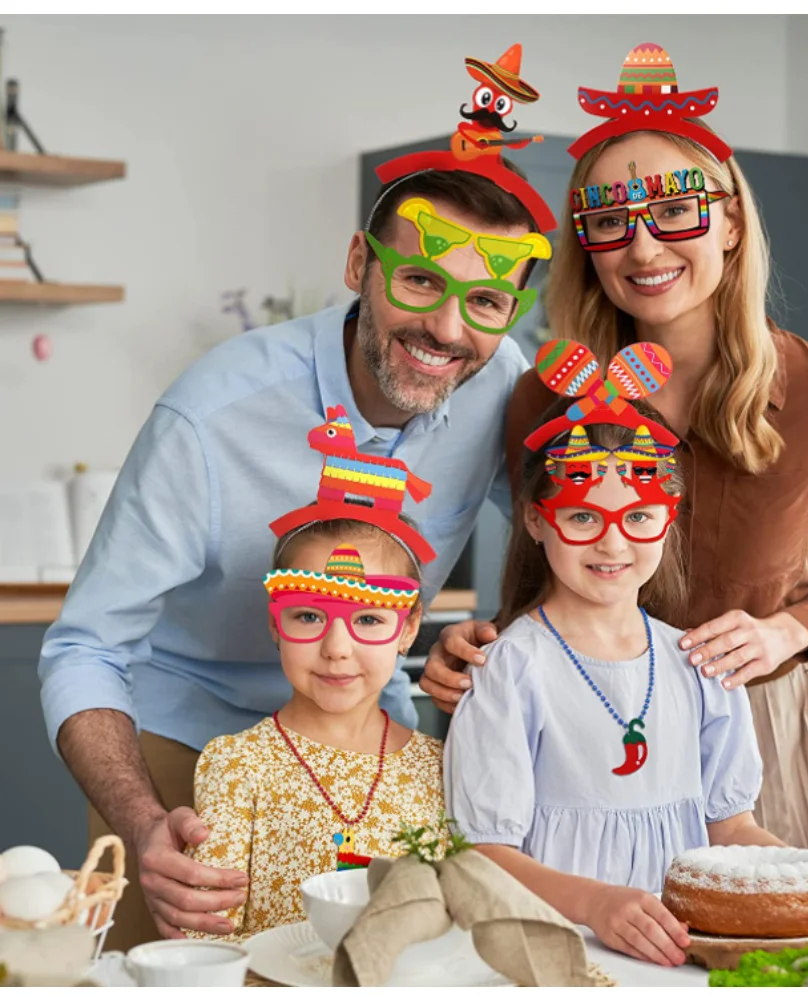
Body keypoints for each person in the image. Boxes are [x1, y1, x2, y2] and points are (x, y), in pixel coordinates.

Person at [38, 43, 558, 949]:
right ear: (360, 261)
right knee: (174, 967)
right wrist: (140, 816)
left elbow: (573, 539)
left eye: (484, 302)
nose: (446, 330)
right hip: (184, 741)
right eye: (422, 281)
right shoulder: (211, 415)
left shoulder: (496, 377)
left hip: (372, 735)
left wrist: (511, 629)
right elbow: (85, 645)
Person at [423, 42, 808, 858]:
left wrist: (795, 634)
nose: (644, 249)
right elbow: (538, 575)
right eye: (609, 220)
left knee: (769, 969)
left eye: (674, 210)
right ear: (588, 244)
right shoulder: (547, 395)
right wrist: (473, 646)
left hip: (755, 735)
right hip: (574, 739)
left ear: (729, 220)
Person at [443, 361, 808, 968]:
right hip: (552, 955)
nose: (612, 543)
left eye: (637, 516)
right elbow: (483, 852)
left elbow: (730, 830)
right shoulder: (510, 670)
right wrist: (598, 904)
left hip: (678, 960)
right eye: (582, 516)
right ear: (536, 519)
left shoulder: (699, 667)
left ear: (667, 517)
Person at [188, 513, 446, 940]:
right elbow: (209, 939)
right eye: (308, 617)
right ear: (276, 623)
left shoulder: (441, 766)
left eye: (368, 620)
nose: (336, 649)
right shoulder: (236, 766)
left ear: (408, 628)